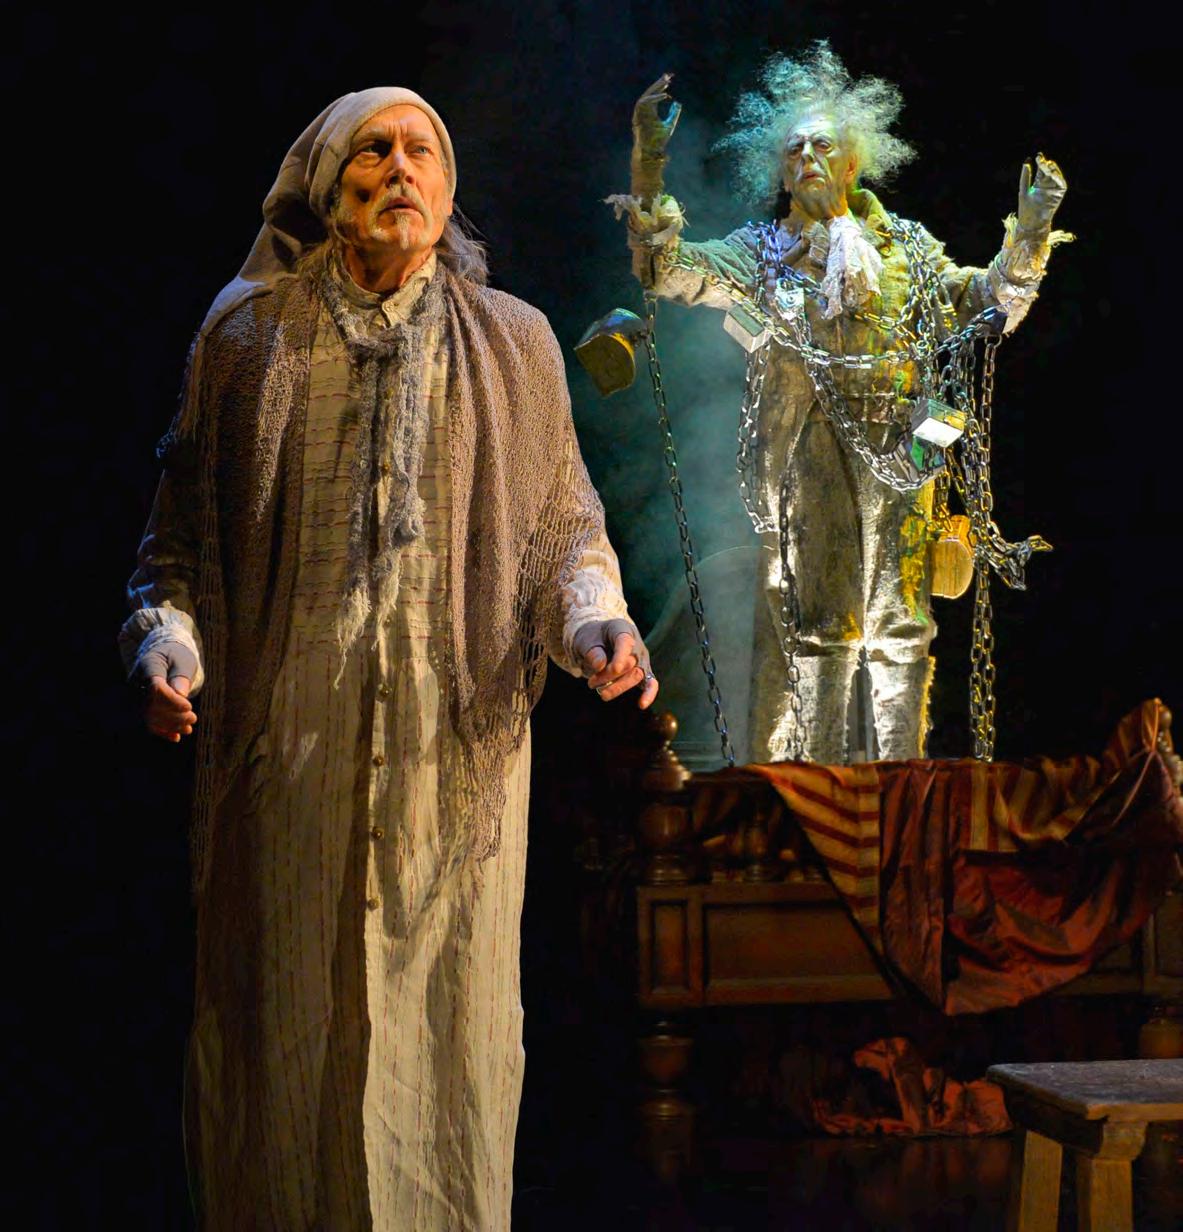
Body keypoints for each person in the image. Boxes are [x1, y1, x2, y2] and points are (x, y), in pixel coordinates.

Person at [120, 86, 656, 1230]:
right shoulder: (247, 337)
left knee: (445, 1035)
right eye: (372, 150)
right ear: (325, 182)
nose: (399, 169)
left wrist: (596, 623)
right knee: (284, 1034)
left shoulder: (512, 340)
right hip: (291, 754)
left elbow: (565, 531)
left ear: (449, 189)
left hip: (447, 762)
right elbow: (179, 544)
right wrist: (166, 642)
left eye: (421, 151)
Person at [611, 45, 1068, 763]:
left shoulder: (908, 250)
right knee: (822, 629)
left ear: (854, 162)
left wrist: (1031, 234)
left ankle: (900, 789)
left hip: (909, 454)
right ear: (779, 169)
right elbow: (669, 270)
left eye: (822, 144)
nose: (807, 157)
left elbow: (987, 305)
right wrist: (648, 168)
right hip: (809, 454)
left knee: (902, 628)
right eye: (793, 148)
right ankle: (822, 795)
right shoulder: (762, 252)